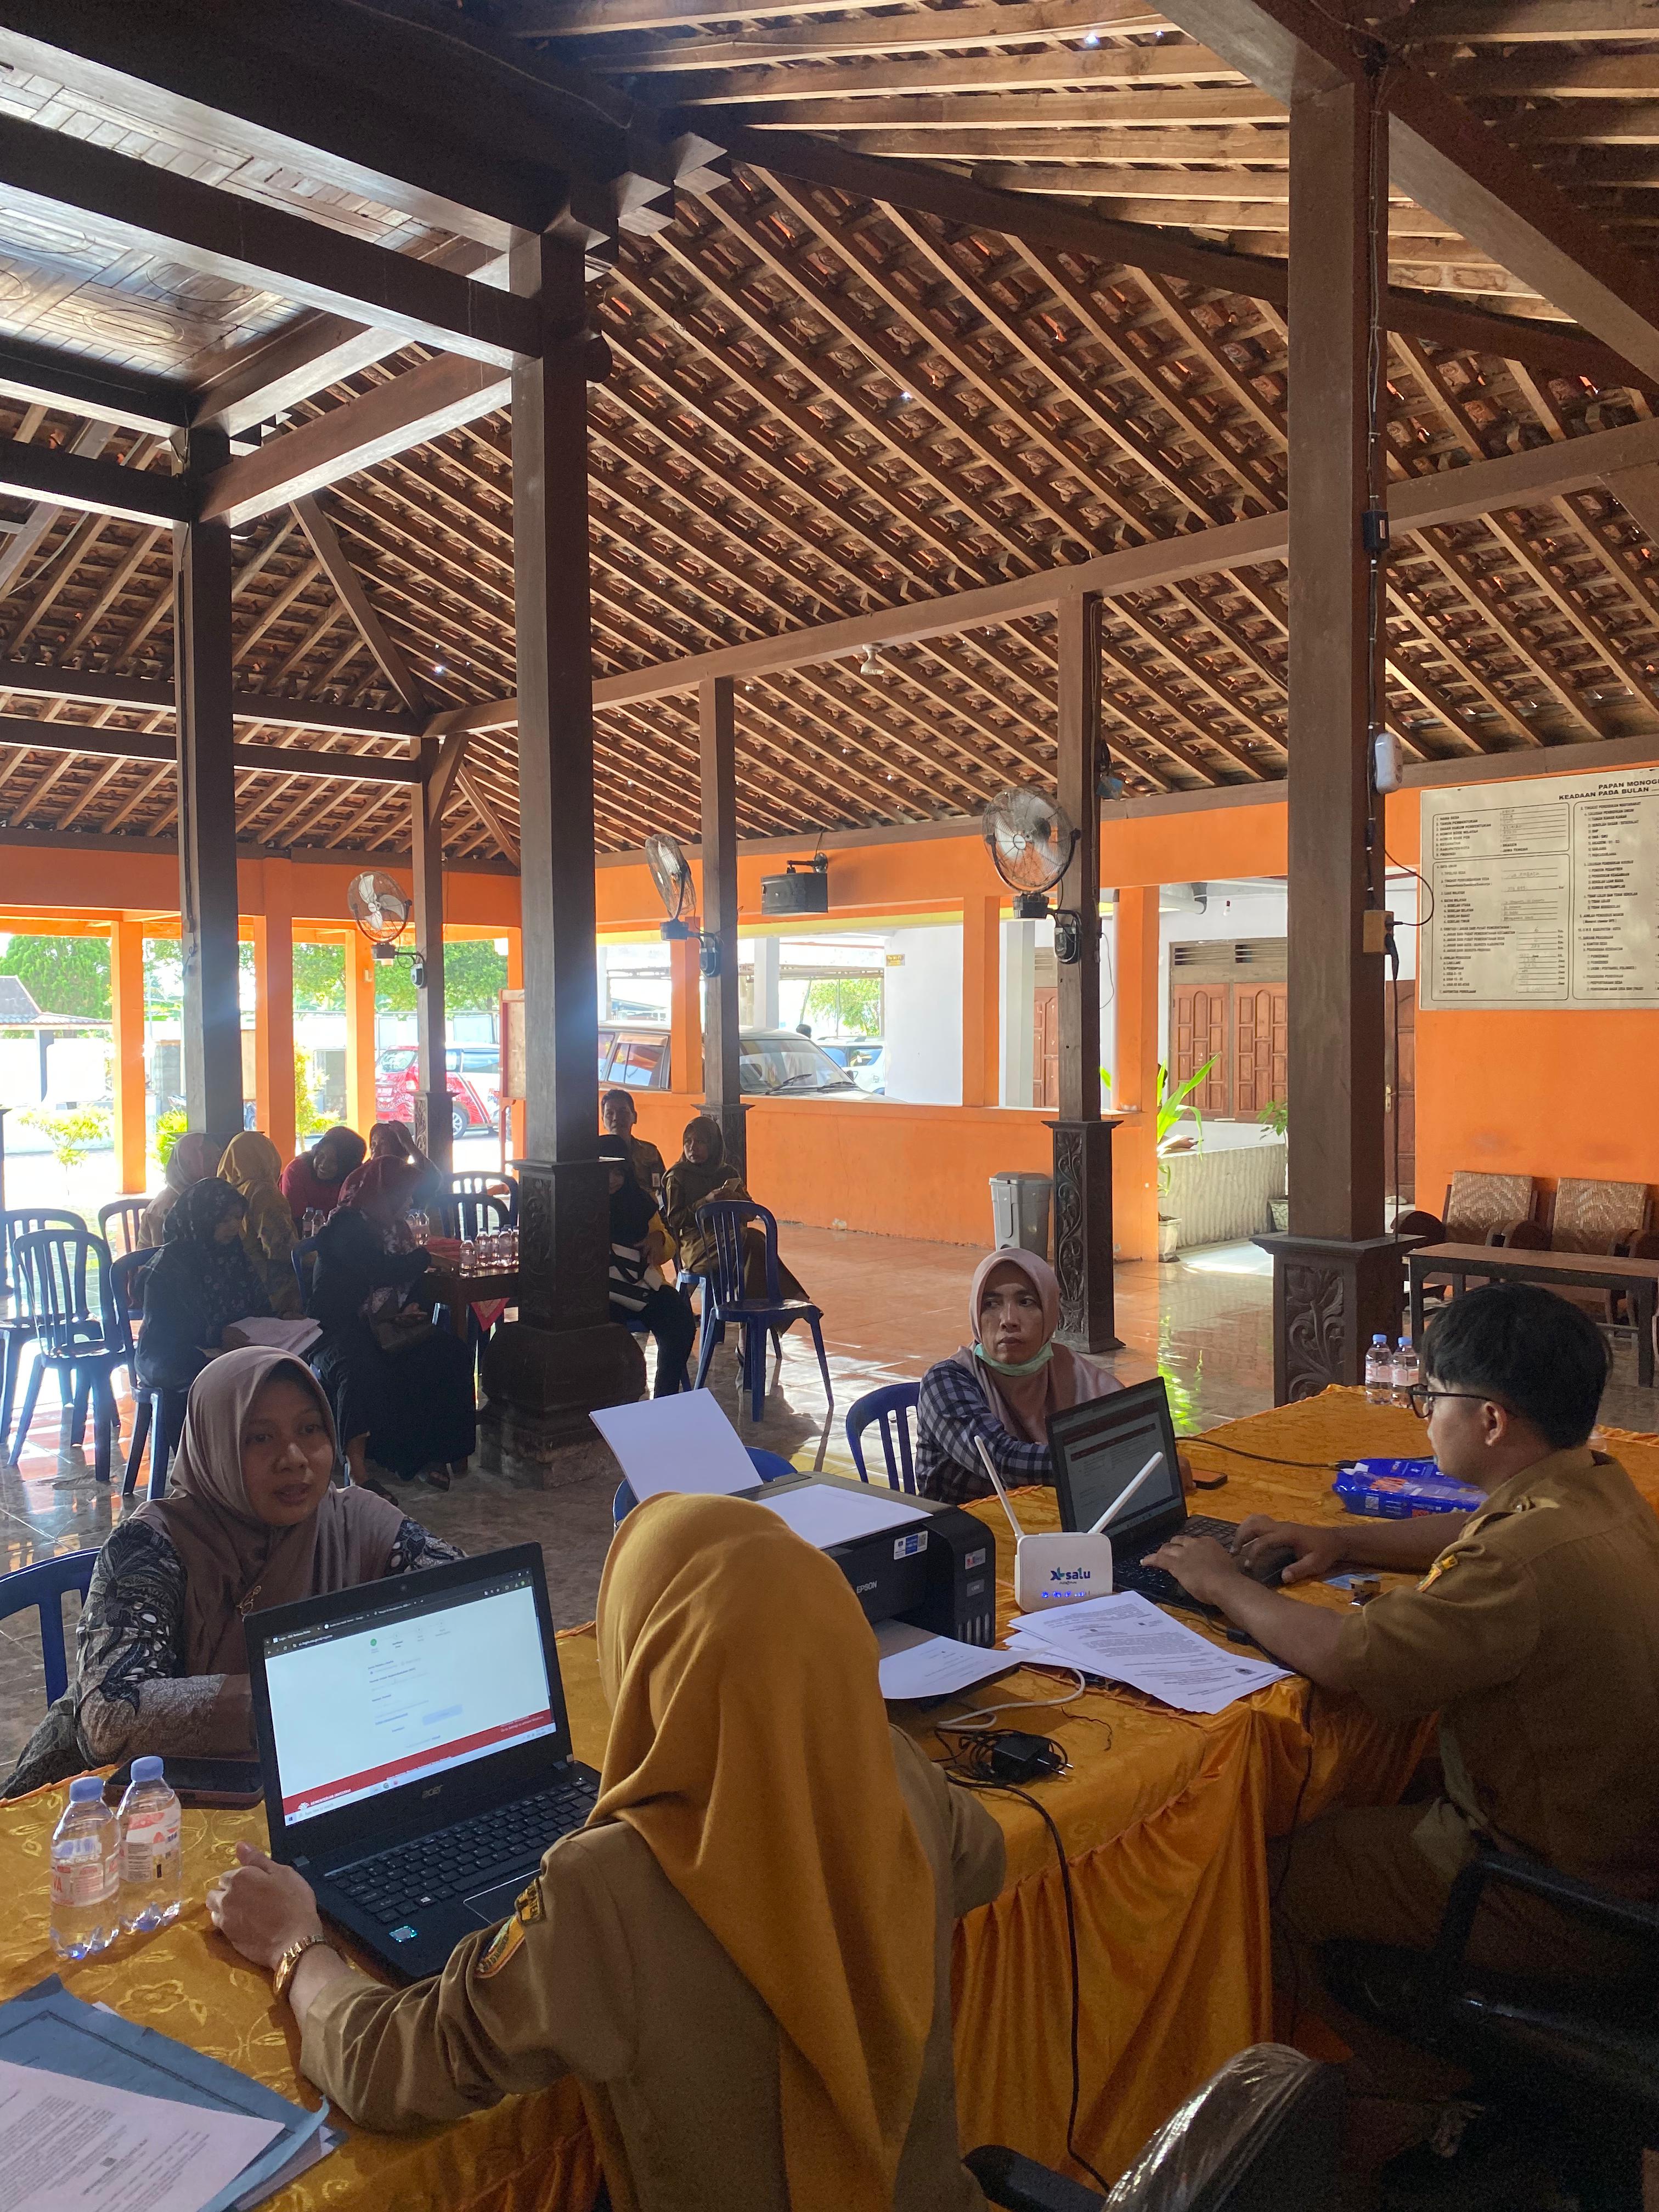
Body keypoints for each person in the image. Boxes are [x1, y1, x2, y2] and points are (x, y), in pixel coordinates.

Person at [206, 1489, 1006, 2212]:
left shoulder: (613, 1885)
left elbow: (390, 2070)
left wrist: (297, 1947)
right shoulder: (898, 1776)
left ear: (647, 1661)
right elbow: (984, 1862)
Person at [1144, 1283, 1659, 1982]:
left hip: (1551, 1895)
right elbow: (1479, 1529)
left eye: (1433, 1398)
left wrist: (1221, 1584)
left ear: (1490, 1421)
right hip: (1619, 1855)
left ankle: (1362, 2054)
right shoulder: (1601, 1487)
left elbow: (1344, 1657)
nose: (1425, 1417)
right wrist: (1341, 1540)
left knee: (1262, 1876)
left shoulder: (1512, 1567)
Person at [4, 1348, 459, 1796]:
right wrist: (289, 1695)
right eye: (259, 1438)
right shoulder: (151, 1547)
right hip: (129, 1809)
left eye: (310, 1429)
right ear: (214, 1444)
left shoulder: (356, 1523)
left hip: (302, 1794)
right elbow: (110, 1716)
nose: (294, 1458)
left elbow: (469, 1606)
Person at [305, 1156, 476, 1489]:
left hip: (386, 1325)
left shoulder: (397, 1230)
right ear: (384, 1194)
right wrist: (423, 1258)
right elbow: (379, 1271)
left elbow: (411, 1284)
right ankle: (358, 1471)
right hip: (339, 1326)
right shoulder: (347, 1226)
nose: (410, 1202)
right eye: (404, 1195)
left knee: (449, 1353)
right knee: (361, 1367)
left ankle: (432, 1452)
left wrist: (412, 1307)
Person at [915, 1250, 1121, 1505]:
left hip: (1050, 1517)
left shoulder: (1074, 1373)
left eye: (1026, 1302)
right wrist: (1102, 1459)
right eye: (991, 1304)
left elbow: (1128, 1428)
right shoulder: (946, 1382)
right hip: (965, 1523)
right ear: (976, 1314)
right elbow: (1002, 1459)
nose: (1009, 1320)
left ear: (1050, 1312)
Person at [135, 1180, 273, 1396]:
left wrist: (280, 1320)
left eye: (238, 1218)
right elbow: (166, 1331)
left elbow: (258, 1304)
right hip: (171, 1353)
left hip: (230, 1344)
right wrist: (216, 1336)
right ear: (202, 1219)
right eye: (224, 1220)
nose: (234, 1226)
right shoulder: (168, 1267)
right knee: (227, 1375)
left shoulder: (234, 1254)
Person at [662, 1115, 810, 1307]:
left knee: (751, 1255)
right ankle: (782, 1300)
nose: (692, 1148)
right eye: (687, 1141)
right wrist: (706, 1202)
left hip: (731, 1240)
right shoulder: (678, 1176)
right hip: (698, 1246)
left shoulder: (727, 1173)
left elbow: (750, 1213)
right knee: (752, 1239)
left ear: (713, 1145)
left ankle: (750, 1317)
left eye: (700, 1142)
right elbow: (674, 1220)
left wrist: (734, 1197)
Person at [600, 1137, 695, 1397]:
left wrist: (658, 1239)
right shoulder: (580, 1206)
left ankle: (664, 1397)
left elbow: (668, 1248)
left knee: (679, 1318)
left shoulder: (639, 1202)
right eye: (606, 1172)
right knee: (610, 1337)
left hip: (641, 1285)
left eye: (619, 1172)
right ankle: (616, 1404)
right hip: (600, 1293)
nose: (613, 1180)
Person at [218, 1131, 301, 1317]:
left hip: (238, 1282)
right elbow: (280, 1249)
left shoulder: (225, 1191)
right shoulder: (264, 1193)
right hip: (271, 1288)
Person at [137, 1131, 223, 1249]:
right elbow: (164, 1255)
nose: (217, 1163)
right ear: (186, 1164)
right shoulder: (165, 1209)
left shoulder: (208, 1194)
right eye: (207, 1159)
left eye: (218, 1156)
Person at [280, 1126, 367, 1228]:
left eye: (333, 1161)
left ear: (347, 1166)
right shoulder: (297, 1170)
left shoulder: (357, 1177)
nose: (323, 1165)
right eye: (321, 1156)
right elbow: (295, 1222)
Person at [601, 1087, 666, 1197]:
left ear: (634, 1117)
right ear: (603, 1121)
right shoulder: (597, 1153)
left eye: (622, 1112)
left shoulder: (650, 1152)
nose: (616, 1118)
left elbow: (662, 1190)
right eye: (610, 1114)